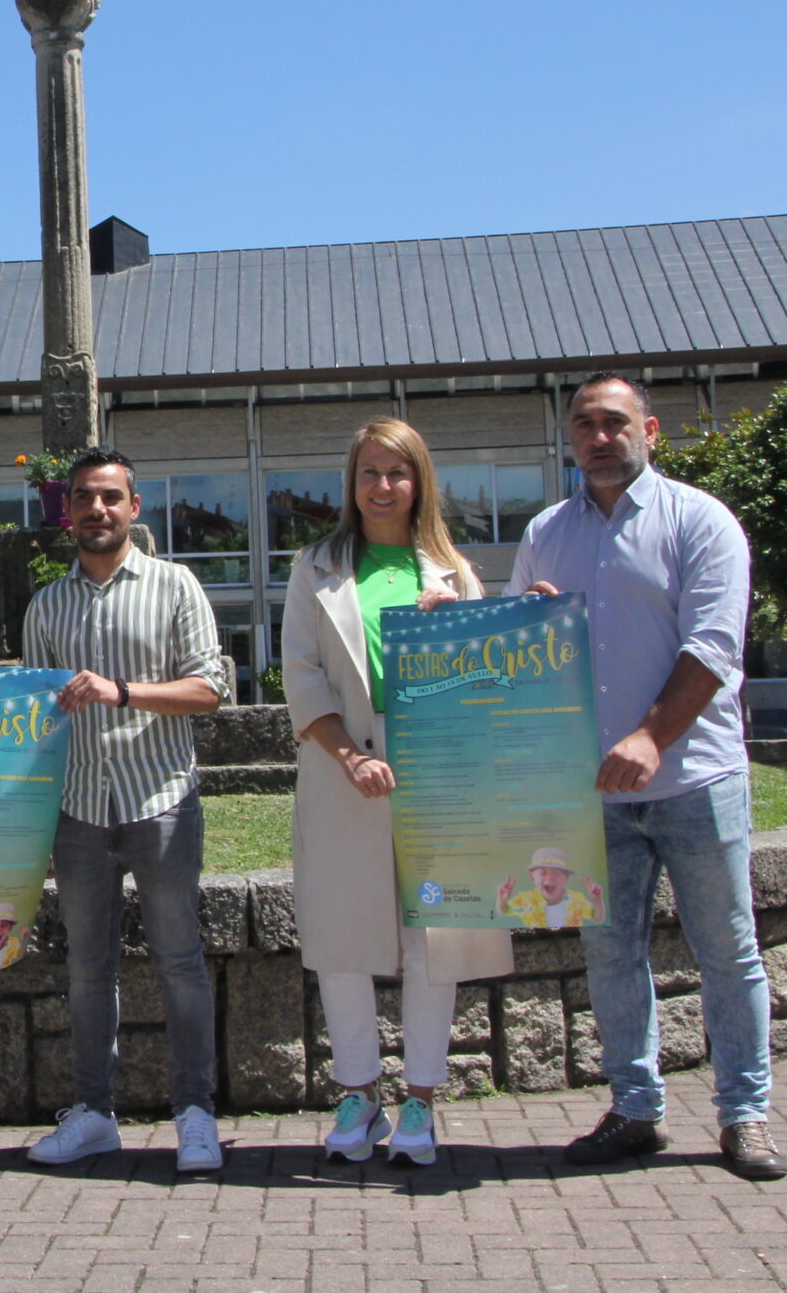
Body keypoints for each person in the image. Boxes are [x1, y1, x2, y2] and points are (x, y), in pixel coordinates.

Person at [512, 372, 785, 1181]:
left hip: (696, 781)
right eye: (585, 423)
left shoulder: (701, 522)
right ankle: (635, 1110)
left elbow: (713, 651)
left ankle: (746, 1115)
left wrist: (650, 738)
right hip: (592, 794)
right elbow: (522, 655)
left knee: (728, 952)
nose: (599, 436)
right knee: (611, 957)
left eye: (615, 421)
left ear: (651, 430)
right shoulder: (546, 531)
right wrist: (522, 617)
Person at [280, 417, 512, 1168]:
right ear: (351, 483)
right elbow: (302, 676)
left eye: (397, 472)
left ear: (421, 483)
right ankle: (356, 1092)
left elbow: (487, 678)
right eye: (369, 472)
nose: (383, 486)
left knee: (429, 938)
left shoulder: (453, 571)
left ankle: (420, 1097)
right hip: (341, 770)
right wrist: (348, 754)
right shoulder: (315, 566)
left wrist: (471, 628)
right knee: (342, 939)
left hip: (432, 777)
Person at [21, 448, 233, 1175]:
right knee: (87, 968)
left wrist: (122, 689)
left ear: (134, 506)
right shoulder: (46, 606)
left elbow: (210, 688)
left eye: (110, 496)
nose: (96, 509)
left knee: (180, 962)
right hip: (78, 808)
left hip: (160, 800)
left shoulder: (176, 587)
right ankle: (94, 1114)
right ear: (67, 511)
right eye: (83, 497)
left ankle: (196, 1113)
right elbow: (37, 716)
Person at [500, 848, 605, 930]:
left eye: (556, 873)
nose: (549, 878)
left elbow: (598, 918)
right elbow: (504, 910)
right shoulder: (526, 900)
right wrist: (502, 899)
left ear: (566, 878)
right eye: (543, 872)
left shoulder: (576, 900)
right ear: (532, 878)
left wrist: (597, 900)